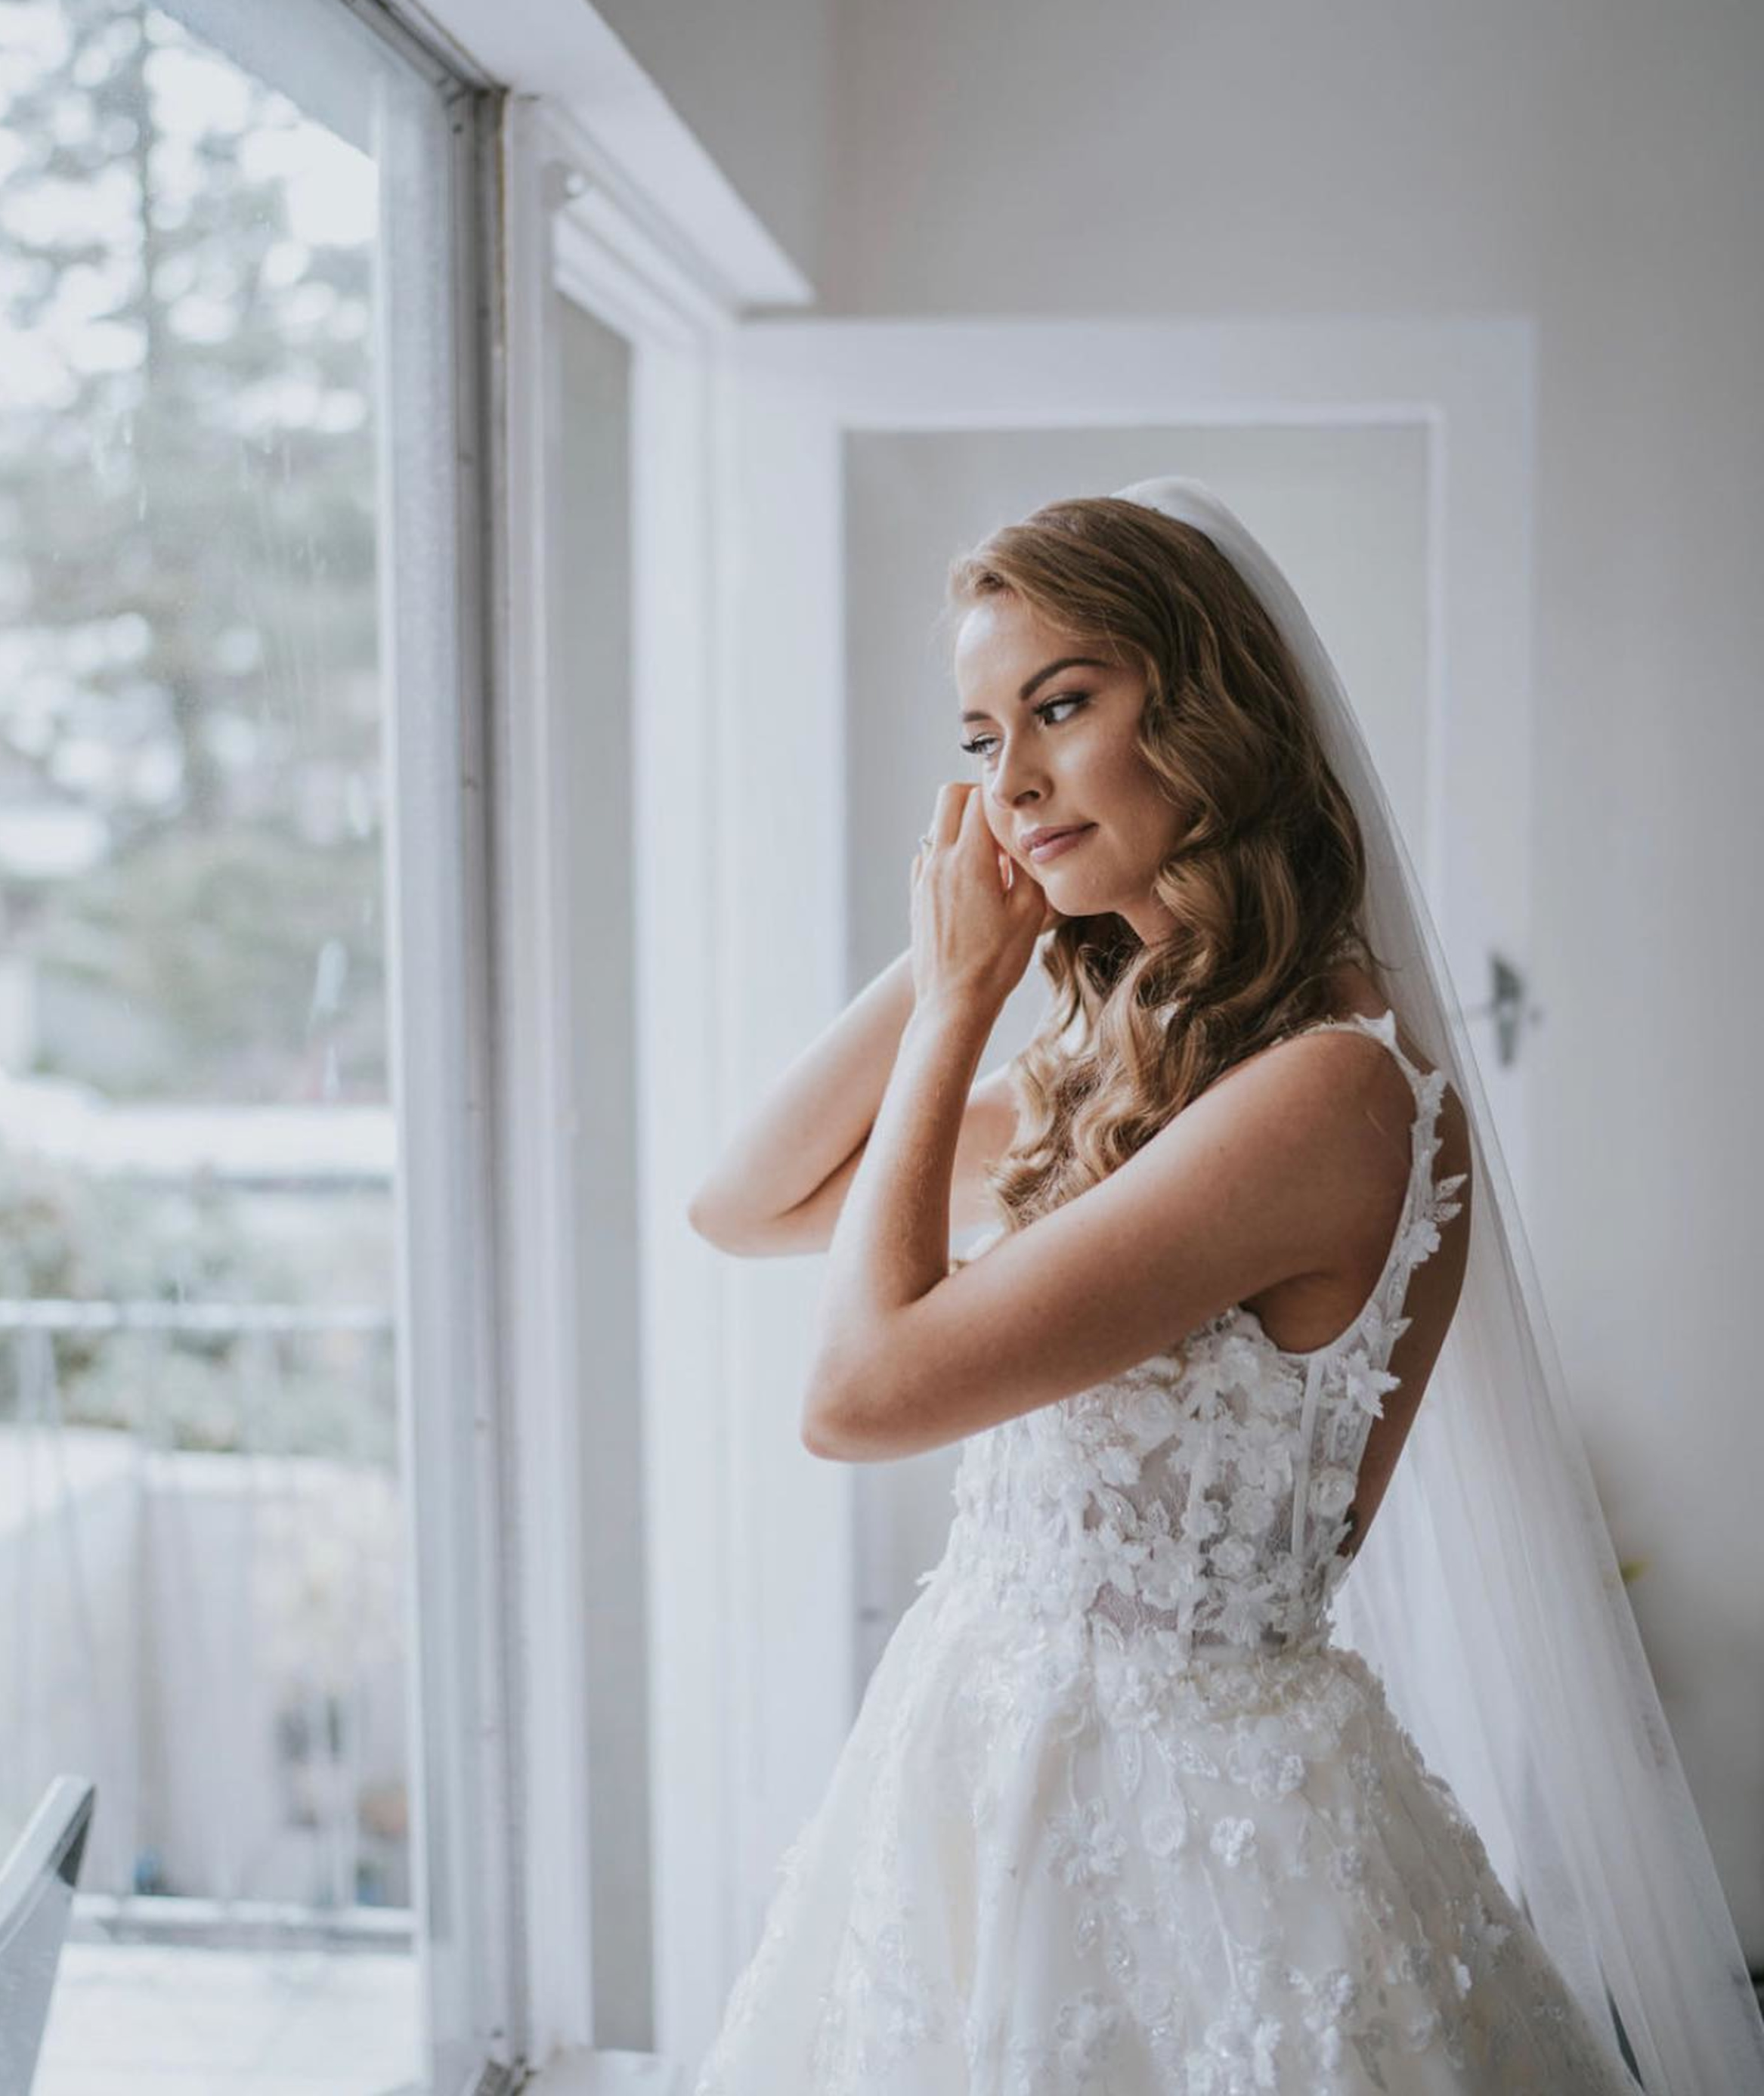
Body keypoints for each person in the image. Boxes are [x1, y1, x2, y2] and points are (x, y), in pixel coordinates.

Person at [685, 480, 1764, 2094]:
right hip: (987, 1776)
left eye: (1064, 705)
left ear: (1205, 715)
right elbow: (744, 1201)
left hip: (1186, 1837)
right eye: (983, 739)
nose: (1017, 774)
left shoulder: (1321, 1097)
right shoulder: (1152, 1072)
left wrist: (964, 1007)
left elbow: (857, 1396)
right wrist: (962, 938)